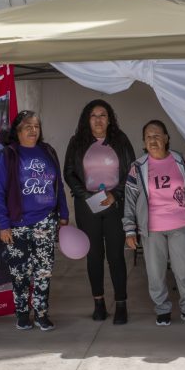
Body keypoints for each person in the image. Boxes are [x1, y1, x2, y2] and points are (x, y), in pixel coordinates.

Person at [123, 120, 185, 327]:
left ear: (167, 138)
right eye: (149, 136)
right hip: (151, 230)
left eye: (157, 135)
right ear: (144, 141)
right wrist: (130, 230)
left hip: (180, 226)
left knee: (184, 270)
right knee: (155, 272)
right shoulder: (138, 167)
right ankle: (162, 309)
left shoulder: (180, 162)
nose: (153, 140)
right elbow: (130, 201)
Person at [0, 110, 69, 331]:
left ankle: (42, 313)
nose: (33, 130)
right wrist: (3, 224)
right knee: (20, 272)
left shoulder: (48, 151)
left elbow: (58, 186)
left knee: (44, 270)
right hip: (17, 223)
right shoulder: (8, 155)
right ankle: (22, 313)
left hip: (46, 221)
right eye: (27, 126)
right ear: (17, 131)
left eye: (36, 126)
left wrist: (63, 214)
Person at [63, 99, 137, 324]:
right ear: (87, 119)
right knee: (94, 256)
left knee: (116, 255)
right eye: (93, 115)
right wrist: (87, 196)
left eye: (103, 115)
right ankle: (99, 303)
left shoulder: (120, 140)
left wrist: (116, 194)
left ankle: (121, 304)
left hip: (115, 205)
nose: (98, 119)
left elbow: (132, 171)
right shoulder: (77, 142)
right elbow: (69, 173)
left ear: (110, 118)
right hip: (88, 207)